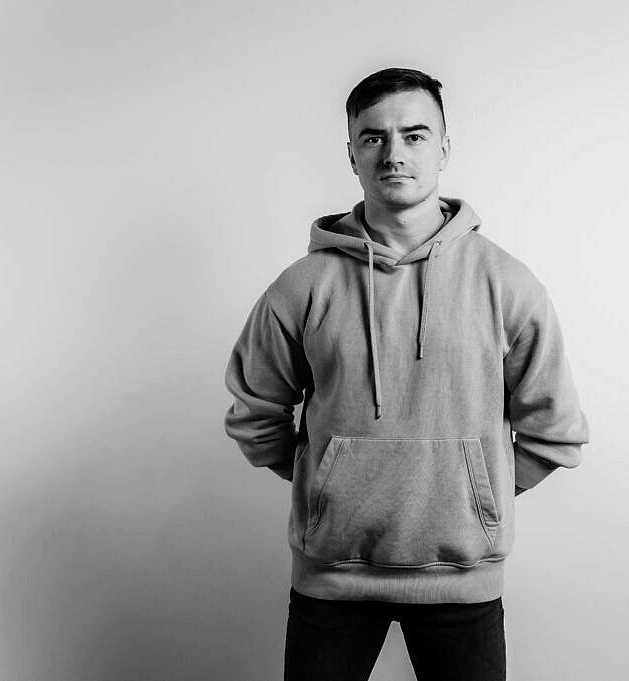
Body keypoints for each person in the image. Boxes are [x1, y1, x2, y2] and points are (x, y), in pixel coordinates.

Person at [223, 67, 589, 681]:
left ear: (444, 149)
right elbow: (255, 413)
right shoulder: (302, 287)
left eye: (415, 136)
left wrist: (472, 498)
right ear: (352, 154)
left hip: (463, 583)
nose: (394, 154)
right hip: (332, 581)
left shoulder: (506, 284)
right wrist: (330, 486)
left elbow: (556, 432)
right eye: (374, 137)